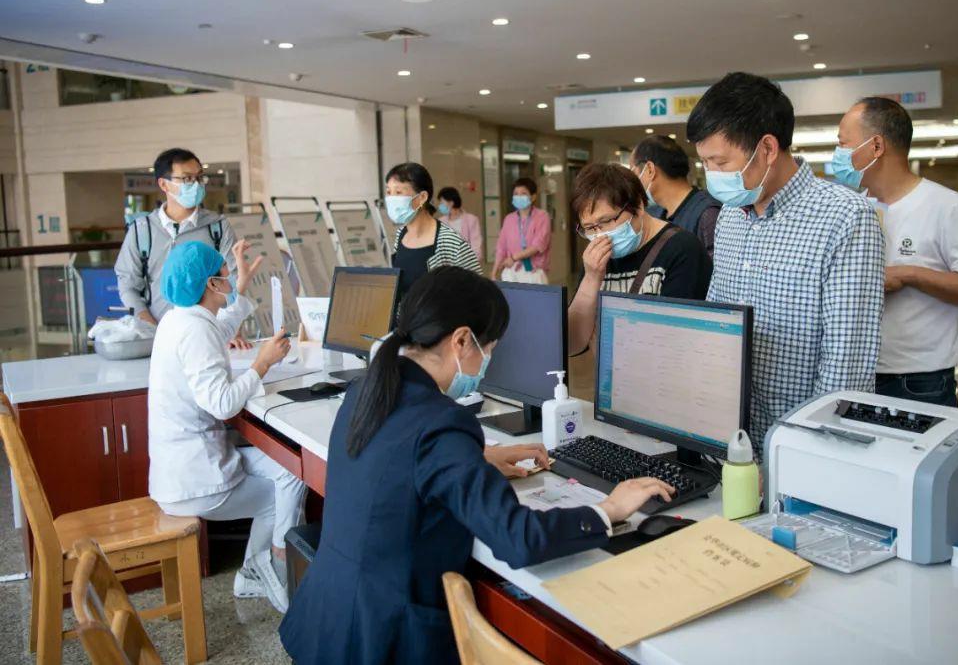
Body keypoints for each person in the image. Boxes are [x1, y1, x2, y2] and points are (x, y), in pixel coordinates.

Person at [279, 267, 672, 664]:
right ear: (462, 340)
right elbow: (517, 539)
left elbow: (396, 460)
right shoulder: (442, 423)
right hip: (386, 643)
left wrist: (475, 459)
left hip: (328, 624)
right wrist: (608, 510)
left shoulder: (370, 387)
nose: (490, 361)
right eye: (491, 348)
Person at [687, 72, 884, 453]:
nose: (712, 175)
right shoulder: (730, 216)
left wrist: (798, 457)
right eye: (705, 163)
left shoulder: (845, 217)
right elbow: (718, 320)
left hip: (798, 447)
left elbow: (847, 367)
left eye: (720, 161)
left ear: (767, 148)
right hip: (731, 439)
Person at [148, 240, 306, 613]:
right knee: (285, 488)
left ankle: (253, 573)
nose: (230, 277)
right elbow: (222, 404)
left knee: (289, 469)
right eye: (225, 273)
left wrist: (242, 287)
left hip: (182, 467)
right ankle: (276, 566)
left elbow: (220, 330)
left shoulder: (180, 319)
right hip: (196, 482)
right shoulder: (194, 330)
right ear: (211, 284)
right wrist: (262, 364)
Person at [833, 97, 958, 408]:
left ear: (876, 146)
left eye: (843, 144)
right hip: (858, 371)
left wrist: (909, 274)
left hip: (917, 382)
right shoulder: (857, 208)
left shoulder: (947, 208)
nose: (837, 154)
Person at [567, 163, 711, 355]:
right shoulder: (596, 258)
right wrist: (591, 279)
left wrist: (610, 339)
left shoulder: (682, 249)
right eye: (590, 228)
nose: (600, 235)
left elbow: (673, 342)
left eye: (606, 221)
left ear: (638, 206)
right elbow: (572, 345)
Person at [115, 148, 249, 348]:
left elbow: (232, 281)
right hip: (157, 339)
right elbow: (128, 286)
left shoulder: (217, 227)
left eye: (199, 177)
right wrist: (154, 330)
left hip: (207, 337)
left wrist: (231, 329)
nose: (195, 184)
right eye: (186, 179)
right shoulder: (142, 231)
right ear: (164, 184)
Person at [386, 162, 482, 295]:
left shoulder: (450, 242)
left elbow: (479, 292)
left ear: (422, 198)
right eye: (388, 192)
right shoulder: (400, 235)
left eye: (398, 192)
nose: (391, 199)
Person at [631, 135, 722, 259]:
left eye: (634, 173)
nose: (633, 183)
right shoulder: (655, 215)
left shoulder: (707, 214)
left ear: (650, 170)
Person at [492, 177, 552, 283]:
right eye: (516, 194)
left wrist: (513, 258)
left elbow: (538, 246)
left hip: (534, 272)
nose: (519, 196)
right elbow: (501, 247)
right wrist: (494, 272)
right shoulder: (509, 219)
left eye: (523, 193)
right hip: (511, 272)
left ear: (533, 197)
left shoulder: (542, 217)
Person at [436, 186, 484, 262]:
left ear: (451, 203)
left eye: (442, 202)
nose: (440, 206)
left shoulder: (471, 220)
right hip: (446, 265)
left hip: (467, 264)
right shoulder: (441, 221)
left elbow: (476, 246)